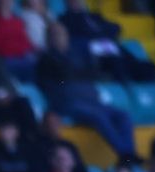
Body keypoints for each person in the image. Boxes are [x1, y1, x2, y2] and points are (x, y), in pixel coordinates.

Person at [36, 22, 136, 159]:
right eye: (56, 35)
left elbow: (93, 73)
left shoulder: (75, 55)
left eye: (63, 34)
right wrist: (76, 74)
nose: (60, 38)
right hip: (69, 104)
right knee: (99, 117)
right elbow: (60, 80)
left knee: (123, 116)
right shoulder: (46, 58)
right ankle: (125, 155)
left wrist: (74, 74)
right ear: (49, 39)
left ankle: (130, 152)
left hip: (92, 101)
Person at [0, 0, 37, 79]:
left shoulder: (17, 20)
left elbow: (25, 41)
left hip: (23, 58)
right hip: (3, 60)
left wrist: (35, 49)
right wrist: (3, 18)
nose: (6, 2)